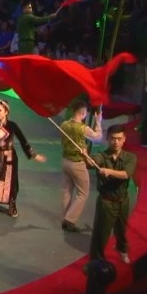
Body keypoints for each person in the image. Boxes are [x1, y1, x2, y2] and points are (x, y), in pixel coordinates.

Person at [88, 124, 137, 264]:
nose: (116, 142)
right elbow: (92, 162)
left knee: (121, 229)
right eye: (113, 139)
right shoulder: (102, 156)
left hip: (123, 200)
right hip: (106, 202)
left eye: (119, 139)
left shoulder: (130, 157)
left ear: (124, 139)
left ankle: (122, 249)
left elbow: (127, 174)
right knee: (101, 233)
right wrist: (86, 158)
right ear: (107, 139)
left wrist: (109, 171)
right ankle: (96, 260)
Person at [59, 99, 103, 232]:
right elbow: (98, 138)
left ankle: (65, 218)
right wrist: (98, 122)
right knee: (83, 193)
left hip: (65, 161)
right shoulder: (83, 128)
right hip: (77, 163)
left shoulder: (64, 125)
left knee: (66, 191)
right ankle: (70, 220)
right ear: (83, 113)